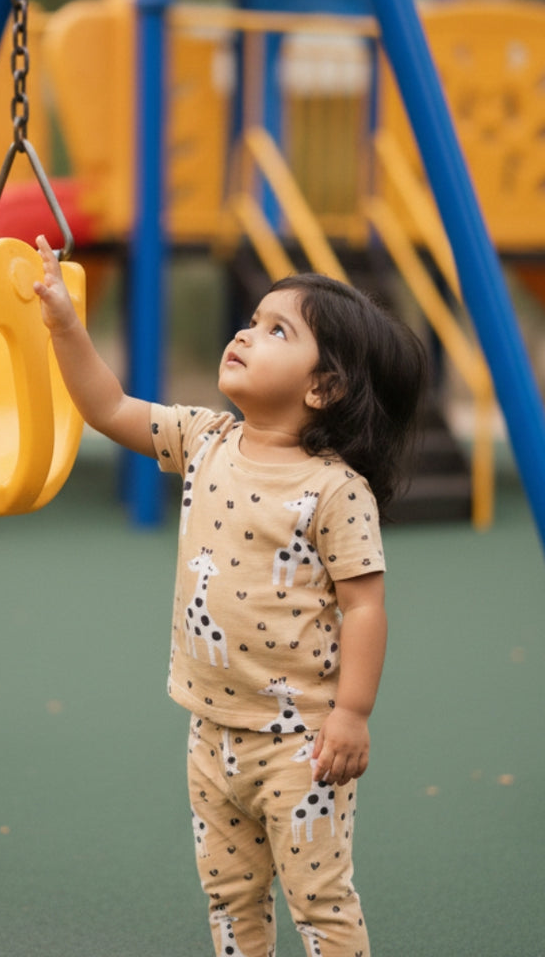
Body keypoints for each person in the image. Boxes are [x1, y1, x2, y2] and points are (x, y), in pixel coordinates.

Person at [34, 237, 426, 957]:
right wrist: (65, 326)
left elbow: (365, 605)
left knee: (318, 900)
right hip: (209, 732)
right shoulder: (205, 439)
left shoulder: (334, 490)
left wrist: (352, 715)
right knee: (229, 895)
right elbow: (109, 406)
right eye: (253, 318)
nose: (247, 332)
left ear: (324, 388)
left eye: (279, 330)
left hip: (302, 744)